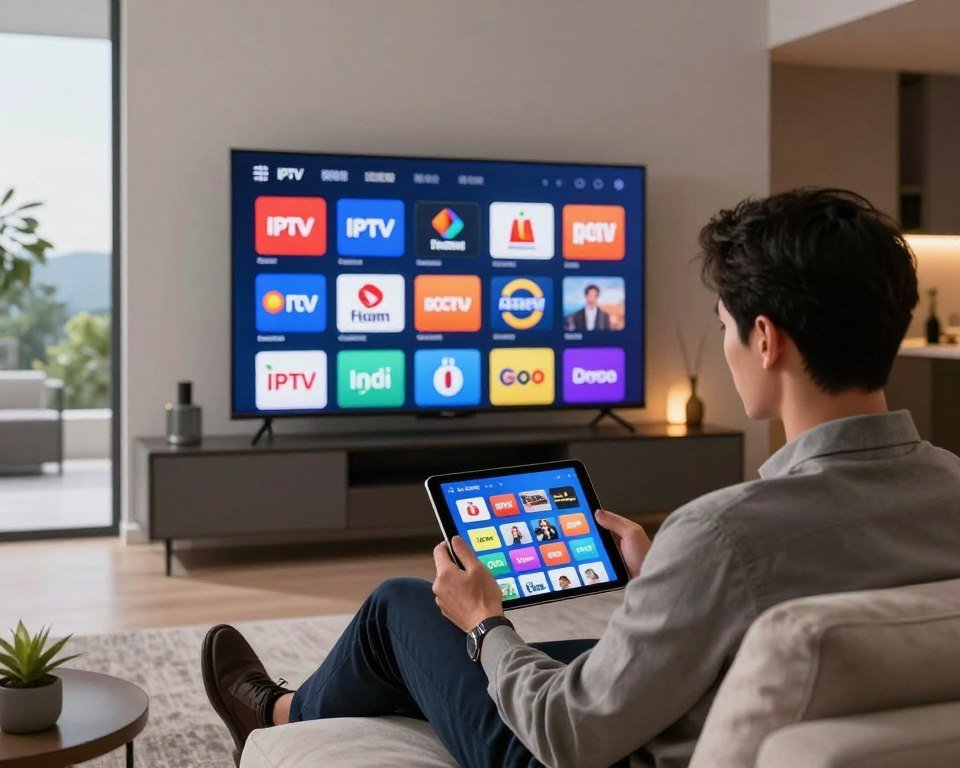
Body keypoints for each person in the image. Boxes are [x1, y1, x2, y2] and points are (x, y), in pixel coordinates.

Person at [201, 189, 960, 768]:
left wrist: (485, 622)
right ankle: (299, 706)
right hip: (725, 713)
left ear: (765, 339)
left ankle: (274, 717)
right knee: (459, 650)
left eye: (725, 326)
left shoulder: (726, 532)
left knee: (406, 607)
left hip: (596, 753)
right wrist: (669, 574)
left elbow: (570, 733)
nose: (725, 345)